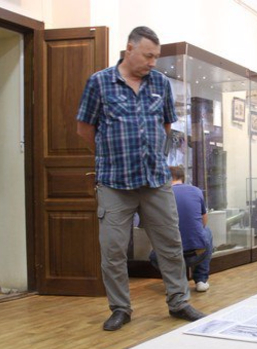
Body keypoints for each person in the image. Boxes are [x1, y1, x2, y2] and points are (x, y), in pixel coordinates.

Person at [76, 26, 206, 331]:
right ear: (129, 49)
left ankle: (179, 301)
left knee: (171, 244)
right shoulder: (99, 82)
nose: (152, 62)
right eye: (148, 55)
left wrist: (152, 155)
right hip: (114, 183)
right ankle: (120, 308)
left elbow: (166, 126)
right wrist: (110, 156)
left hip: (155, 180)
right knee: (113, 250)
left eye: (156, 57)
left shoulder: (160, 83)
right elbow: (84, 129)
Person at [149, 165, 213, 292]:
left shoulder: (159, 195)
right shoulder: (196, 191)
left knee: (155, 251)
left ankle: (176, 281)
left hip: (170, 255)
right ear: (183, 178)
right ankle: (201, 280)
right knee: (207, 232)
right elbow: (204, 221)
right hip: (197, 253)